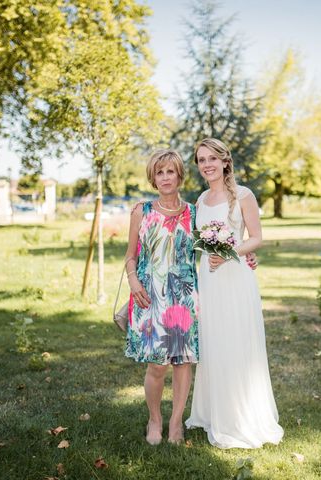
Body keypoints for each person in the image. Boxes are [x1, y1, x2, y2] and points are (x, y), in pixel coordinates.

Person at [185, 138, 284, 449]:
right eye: (201, 160)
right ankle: (214, 412)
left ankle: (240, 417)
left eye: (212, 158)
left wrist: (230, 252)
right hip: (209, 281)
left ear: (225, 161)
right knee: (213, 342)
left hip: (236, 279)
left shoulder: (243, 195)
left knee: (236, 341)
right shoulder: (200, 199)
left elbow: (256, 238)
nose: (207, 165)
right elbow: (196, 241)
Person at [124, 149, 199, 445]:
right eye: (159, 172)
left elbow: (210, 251)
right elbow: (129, 256)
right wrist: (132, 280)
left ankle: (176, 422)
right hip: (150, 296)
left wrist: (248, 252)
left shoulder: (194, 212)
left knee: (182, 362)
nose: (165, 177)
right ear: (153, 178)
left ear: (180, 175)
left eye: (170, 171)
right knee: (157, 364)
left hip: (182, 296)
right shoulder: (141, 211)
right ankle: (154, 420)